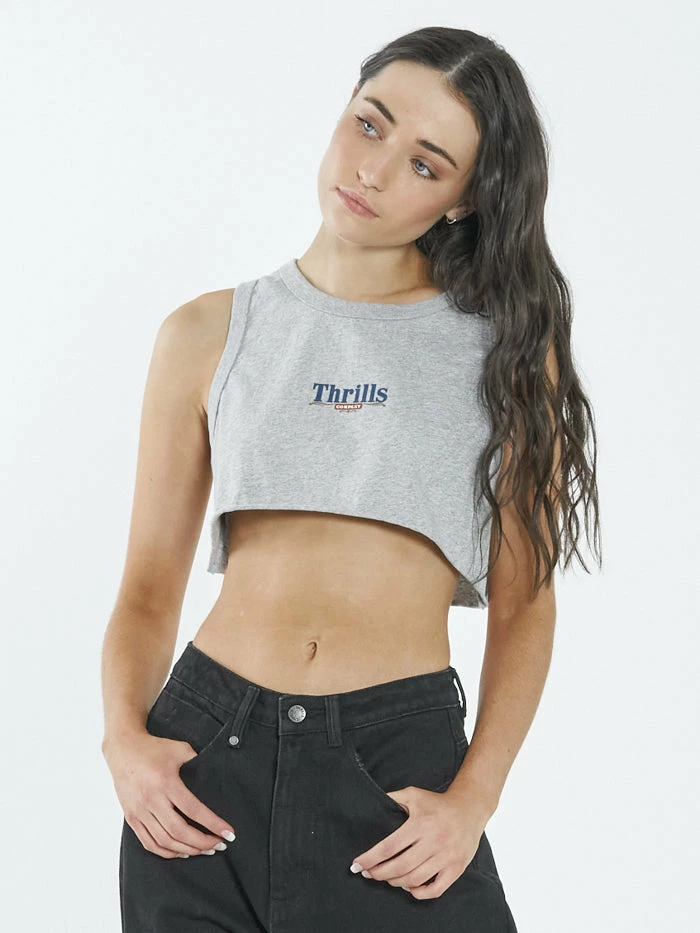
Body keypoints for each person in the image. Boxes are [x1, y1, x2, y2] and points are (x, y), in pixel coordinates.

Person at [102, 25, 601, 933]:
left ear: (462, 200)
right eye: (370, 124)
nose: (373, 170)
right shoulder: (205, 333)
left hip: (394, 772)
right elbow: (146, 587)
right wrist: (126, 743)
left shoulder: (504, 355)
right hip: (203, 760)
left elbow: (526, 603)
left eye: (425, 163)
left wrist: (475, 797)